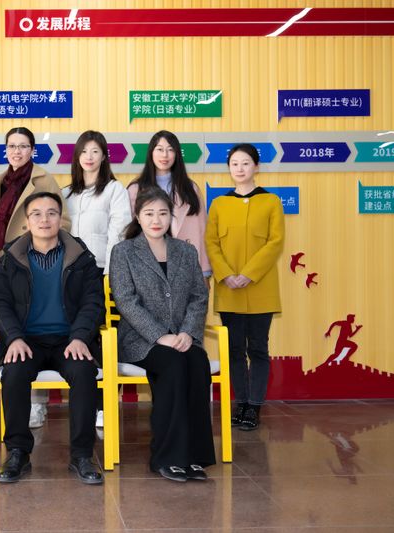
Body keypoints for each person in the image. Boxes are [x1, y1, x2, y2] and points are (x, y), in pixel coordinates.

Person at [0, 192, 105, 485]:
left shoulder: (81, 257)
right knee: (14, 373)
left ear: (60, 219)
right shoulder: (10, 259)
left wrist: (80, 337)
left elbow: (94, 303)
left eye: (51, 213)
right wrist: (14, 338)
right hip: (26, 341)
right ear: (27, 221)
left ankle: (82, 455)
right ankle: (18, 452)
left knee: (84, 372)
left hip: (69, 340)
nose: (45, 219)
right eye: (37, 214)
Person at [109, 187, 215, 482]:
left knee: (197, 363)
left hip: (181, 336)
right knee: (173, 364)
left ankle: (194, 456)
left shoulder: (186, 251)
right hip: (140, 340)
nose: (156, 220)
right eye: (149, 213)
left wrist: (188, 332)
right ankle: (167, 457)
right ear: (138, 217)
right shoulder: (124, 252)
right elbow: (126, 301)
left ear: (171, 217)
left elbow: (198, 296)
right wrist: (159, 335)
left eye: (162, 213)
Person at [0, 127, 71, 429]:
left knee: (37, 325)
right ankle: (18, 402)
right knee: (10, 322)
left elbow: (63, 221)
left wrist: (41, 248)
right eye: (12, 146)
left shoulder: (44, 179)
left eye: (23, 146)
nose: (17, 151)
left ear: (32, 150)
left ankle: (37, 403)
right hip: (2, 260)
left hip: (35, 259)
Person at [205, 143, 285, 432]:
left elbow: (275, 242)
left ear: (256, 167)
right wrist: (226, 274)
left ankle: (255, 406)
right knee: (235, 350)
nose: (240, 169)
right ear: (229, 169)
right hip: (229, 289)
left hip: (260, 287)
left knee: (259, 349)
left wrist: (249, 274)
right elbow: (211, 242)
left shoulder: (271, 201)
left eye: (245, 163)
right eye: (234, 164)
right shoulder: (219, 204)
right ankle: (240, 403)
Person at [62, 130, 131, 428]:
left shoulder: (115, 190)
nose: (89, 157)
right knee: (74, 334)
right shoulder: (66, 193)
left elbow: (120, 232)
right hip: (68, 275)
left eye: (95, 151)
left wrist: (110, 272)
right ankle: (81, 402)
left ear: (104, 156)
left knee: (102, 337)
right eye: (84, 152)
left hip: (102, 272)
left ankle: (104, 405)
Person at [127, 130, 211, 277]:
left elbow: (202, 229)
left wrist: (204, 271)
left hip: (185, 265)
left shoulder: (190, 188)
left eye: (170, 150)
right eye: (160, 149)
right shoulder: (135, 189)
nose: (164, 155)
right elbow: (129, 232)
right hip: (147, 266)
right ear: (151, 153)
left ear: (177, 154)